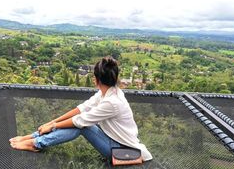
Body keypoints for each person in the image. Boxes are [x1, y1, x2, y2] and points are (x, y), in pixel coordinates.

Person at [9, 56, 152, 162]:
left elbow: (79, 121)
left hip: (121, 150)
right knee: (80, 123)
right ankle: (33, 137)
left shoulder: (112, 102)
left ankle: (36, 144)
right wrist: (51, 123)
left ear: (96, 80)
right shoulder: (107, 93)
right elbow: (81, 109)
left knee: (83, 126)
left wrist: (52, 125)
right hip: (113, 140)